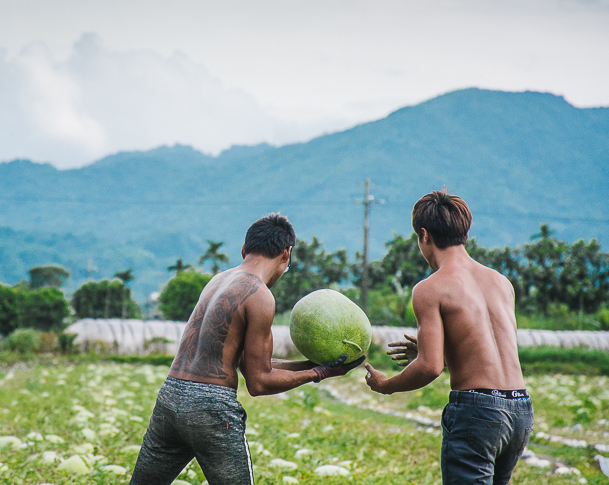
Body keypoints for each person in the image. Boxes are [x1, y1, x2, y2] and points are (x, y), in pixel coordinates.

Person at [129, 213, 364, 485]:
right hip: (211, 410)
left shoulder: (217, 281)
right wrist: (319, 374)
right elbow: (259, 382)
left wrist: (316, 366)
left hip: (170, 399)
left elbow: (248, 363)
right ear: (286, 253)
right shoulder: (260, 296)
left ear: (244, 249)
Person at [364, 188, 533, 485]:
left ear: (424, 236)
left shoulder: (430, 288)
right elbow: (488, 356)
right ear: (464, 232)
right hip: (520, 408)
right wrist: (441, 353)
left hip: (477, 414)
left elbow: (430, 368)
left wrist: (386, 385)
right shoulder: (501, 282)